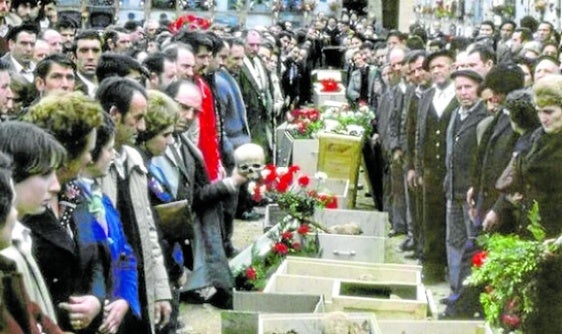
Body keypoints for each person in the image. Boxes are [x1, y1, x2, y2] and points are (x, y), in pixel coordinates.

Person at [22, 91, 106, 333]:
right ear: (67, 152)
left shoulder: (75, 192)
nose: (91, 157)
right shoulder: (24, 204)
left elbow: (96, 256)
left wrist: (96, 299)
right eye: (88, 149)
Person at [96, 77, 172, 333]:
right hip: (112, 293)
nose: (142, 127)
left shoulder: (134, 159)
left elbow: (149, 232)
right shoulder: (93, 168)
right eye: (137, 118)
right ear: (114, 114)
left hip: (138, 283)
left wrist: (161, 290)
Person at [80, 113, 141, 334]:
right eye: (108, 149)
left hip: (115, 314)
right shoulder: (75, 203)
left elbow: (125, 253)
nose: (113, 155)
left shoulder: (101, 198)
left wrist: (125, 299)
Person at [0, 121, 65, 322]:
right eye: (45, 174)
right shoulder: (6, 246)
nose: (56, 186)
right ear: (12, 174)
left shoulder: (20, 235)